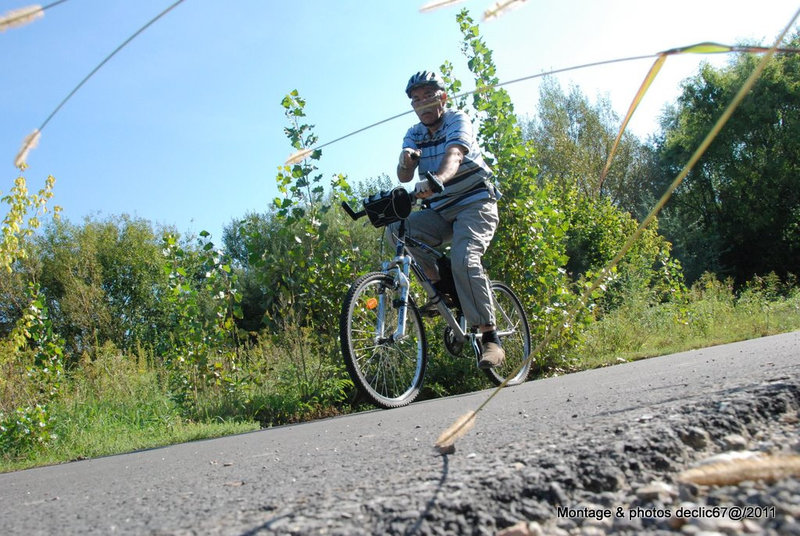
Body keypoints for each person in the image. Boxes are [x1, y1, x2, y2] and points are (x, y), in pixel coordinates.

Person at [392, 70, 505, 369]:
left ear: (442, 97)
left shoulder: (457, 119)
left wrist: (437, 179)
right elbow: (403, 175)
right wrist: (406, 161)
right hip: (440, 212)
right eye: (415, 99)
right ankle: (442, 286)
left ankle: (490, 338)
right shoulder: (414, 133)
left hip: (475, 203)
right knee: (398, 229)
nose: (422, 103)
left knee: (465, 259)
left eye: (428, 96)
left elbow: (455, 154)